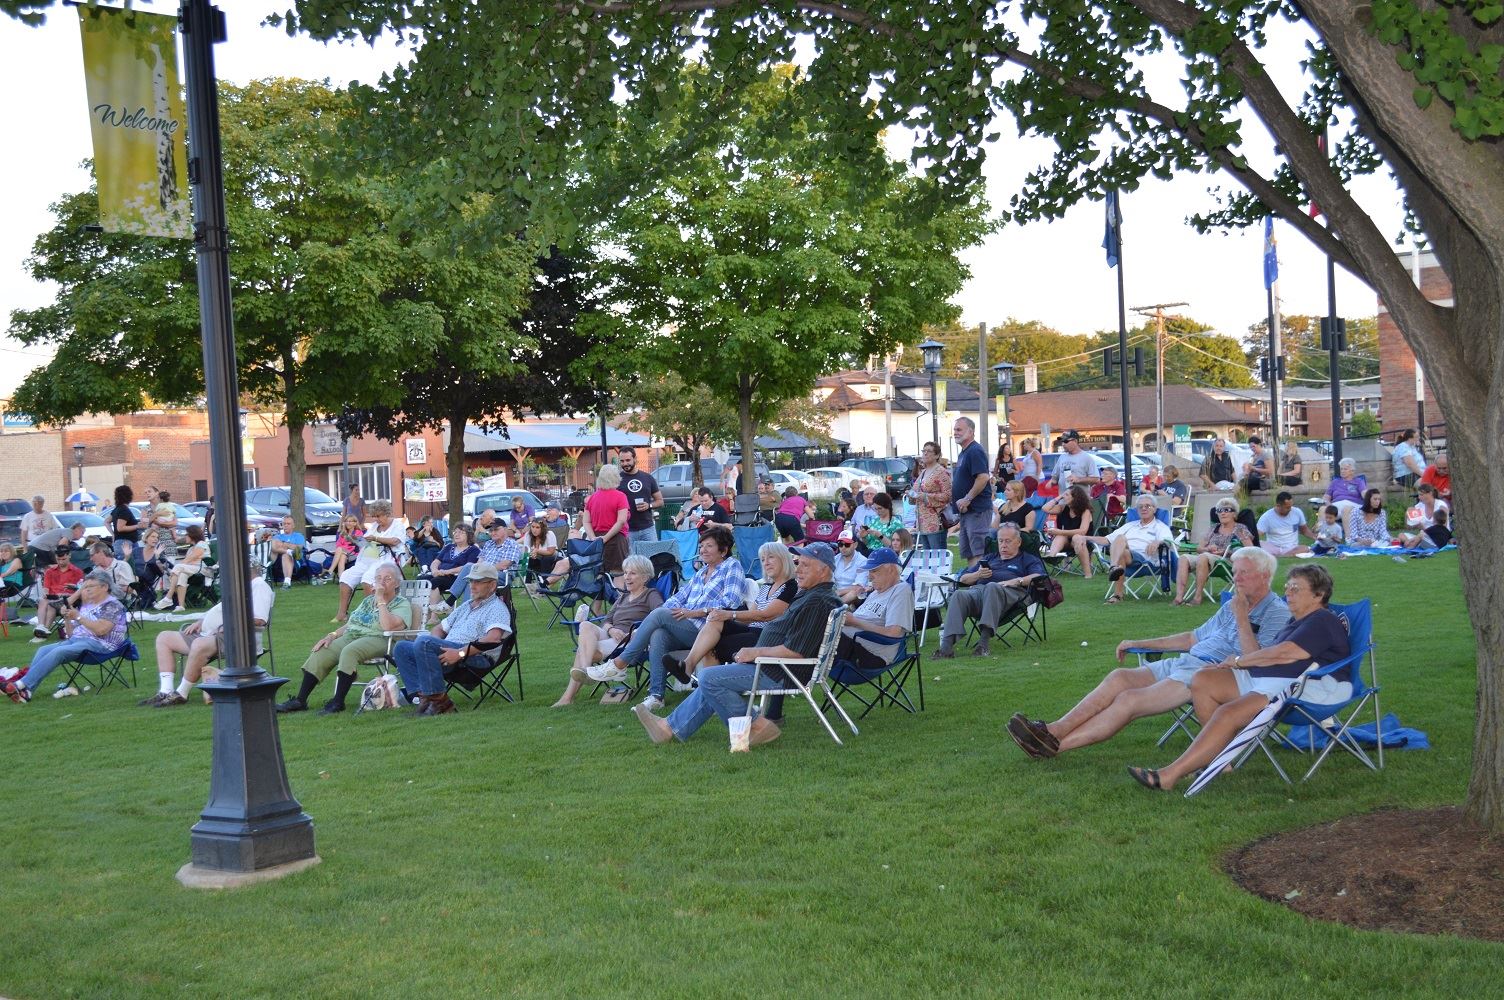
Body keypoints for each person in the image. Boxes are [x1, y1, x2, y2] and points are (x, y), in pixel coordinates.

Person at [1006, 547, 1289, 759]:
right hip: (1186, 662)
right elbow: (1192, 638)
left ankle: (1052, 747)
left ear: (1264, 576)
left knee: (1130, 700)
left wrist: (1241, 617)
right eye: (1235, 571)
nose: (1235, 578)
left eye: (1243, 572)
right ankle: (1053, 730)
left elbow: (1257, 661)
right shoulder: (1233, 604)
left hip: (1213, 676)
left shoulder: (1276, 612)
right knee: (1120, 678)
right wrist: (1137, 641)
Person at [1127, 564, 1350, 791]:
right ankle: (1219, 762)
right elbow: (1272, 655)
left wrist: (1239, 662)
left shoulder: (1322, 620)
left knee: (1227, 712)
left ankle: (1168, 776)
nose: (1288, 594)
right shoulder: (1297, 621)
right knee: (1204, 679)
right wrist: (1238, 663)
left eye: (1296, 589)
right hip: (1270, 680)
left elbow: (1286, 653)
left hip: (1307, 689)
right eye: (1287, 588)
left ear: (1318, 594)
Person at [632, 542, 843, 749]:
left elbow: (796, 652)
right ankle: (668, 728)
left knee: (708, 677)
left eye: (805, 565)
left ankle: (754, 726)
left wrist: (755, 651)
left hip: (782, 671)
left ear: (823, 570)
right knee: (713, 679)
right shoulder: (811, 595)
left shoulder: (817, 602)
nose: (798, 569)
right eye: (798, 563)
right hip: (774, 666)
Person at [596, 524, 744, 711]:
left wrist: (695, 612)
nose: (703, 550)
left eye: (709, 546)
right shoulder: (701, 573)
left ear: (723, 549)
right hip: (687, 626)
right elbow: (677, 598)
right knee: (658, 632)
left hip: (710, 629)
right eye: (701, 546)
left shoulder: (732, 566)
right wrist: (661, 617)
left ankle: (620, 662)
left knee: (659, 616)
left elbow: (731, 602)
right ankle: (656, 696)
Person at [278, 563, 410, 715]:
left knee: (349, 651)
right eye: (379, 578)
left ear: (397, 583)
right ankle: (300, 700)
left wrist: (380, 599)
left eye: (388, 578)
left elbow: (388, 626)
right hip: (354, 635)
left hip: (381, 639)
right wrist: (331, 635)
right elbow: (351, 624)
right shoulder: (368, 601)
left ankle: (338, 702)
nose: (382, 582)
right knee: (323, 650)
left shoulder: (402, 603)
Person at [142, 560, 275, 707]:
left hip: (235, 638)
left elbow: (260, 620)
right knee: (164, 638)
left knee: (199, 644)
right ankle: (165, 691)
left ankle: (181, 693)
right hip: (210, 634)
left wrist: (231, 624)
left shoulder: (259, 586)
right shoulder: (241, 587)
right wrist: (201, 621)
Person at [391, 562, 513, 716]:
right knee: (401, 647)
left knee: (424, 642)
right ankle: (424, 699)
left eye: (478, 582)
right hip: (449, 650)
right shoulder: (466, 605)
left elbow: (493, 639)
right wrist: (429, 647)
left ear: (493, 585)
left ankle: (438, 703)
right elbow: (439, 629)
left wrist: (459, 653)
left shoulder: (497, 608)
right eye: (471, 581)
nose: (472, 586)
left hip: (474, 657)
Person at [551, 555, 665, 706]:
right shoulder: (623, 597)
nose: (627, 577)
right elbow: (607, 620)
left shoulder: (651, 594)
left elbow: (659, 615)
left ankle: (568, 697)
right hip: (612, 635)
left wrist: (637, 633)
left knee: (582, 650)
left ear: (645, 577)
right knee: (585, 625)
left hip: (629, 639)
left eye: (632, 573)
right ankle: (586, 670)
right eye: (625, 573)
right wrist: (611, 629)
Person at [673, 541, 796, 678]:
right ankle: (689, 666)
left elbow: (765, 616)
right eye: (762, 559)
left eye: (771, 557)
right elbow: (750, 618)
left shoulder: (790, 587)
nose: (766, 563)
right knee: (715, 619)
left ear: (784, 559)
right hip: (752, 630)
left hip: (768, 637)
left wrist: (730, 614)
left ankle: (705, 686)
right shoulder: (766, 587)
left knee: (711, 645)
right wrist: (721, 615)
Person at [4, 572, 128, 704]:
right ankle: (27, 692)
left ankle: (21, 684)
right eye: (85, 587)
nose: (87, 590)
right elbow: (71, 635)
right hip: (80, 641)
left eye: (91, 586)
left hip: (103, 645)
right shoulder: (89, 605)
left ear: (104, 587)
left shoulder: (112, 605)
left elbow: (101, 630)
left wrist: (79, 616)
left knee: (59, 652)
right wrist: (68, 618)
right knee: (43, 650)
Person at [933, 523, 1047, 657]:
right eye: (1000, 541)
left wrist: (1017, 580)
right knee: (958, 595)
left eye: (1008, 541)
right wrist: (978, 575)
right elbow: (963, 578)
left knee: (992, 586)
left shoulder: (1027, 559)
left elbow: (1039, 575)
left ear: (1019, 542)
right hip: (980, 593)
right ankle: (946, 649)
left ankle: (983, 645)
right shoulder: (989, 558)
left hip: (1010, 594)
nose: (1003, 545)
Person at [1173, 497, 1252, 605]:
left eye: (1227, 510)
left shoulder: (1240, 529)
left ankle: (1197, 597)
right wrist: (1207, 549)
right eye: (1219, 510)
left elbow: (1250, 550)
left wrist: (1226, 551)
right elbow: (1199, 548)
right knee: (1183, 558)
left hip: (1228, 561)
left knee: (1203, 556)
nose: (1222, 513)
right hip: (1208, 557)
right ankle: (1179, 597)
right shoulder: (1213, 528)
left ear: (1234, 514)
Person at [1096, 494, 1174, 603]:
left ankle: (1117, 592)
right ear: (1137, 510)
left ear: (1155, 509)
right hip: (1124, 557)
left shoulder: (1160, 526)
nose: (1144, 509)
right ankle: (1114, 569)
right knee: (1120, 538)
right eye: (1140, 507)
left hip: (1145, 560)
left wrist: (1158, 541)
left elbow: (1169, 542)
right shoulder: (1130, 525)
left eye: (1148, 506)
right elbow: (1107, 539)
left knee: (1121, 542)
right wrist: (1084, 538)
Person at [334, 500, 401, 622]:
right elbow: (366, 542)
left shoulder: (397, 525)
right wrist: (354, 539)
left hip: (386, 560)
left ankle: (370, 613)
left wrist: (376, 538)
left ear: (387, 513)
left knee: (367, 579)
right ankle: (342, 614)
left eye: (378, 516)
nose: (376, 519)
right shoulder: (375, 526)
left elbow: (395, 541)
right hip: (368, 557)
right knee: (346, 577)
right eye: (374, 516)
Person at [951, 416, 994, 561]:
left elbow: (983, 477)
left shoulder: (975, 451)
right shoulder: (964, 452)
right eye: (954, 430)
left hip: (977, 510)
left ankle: (981, 582)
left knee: (979, 552)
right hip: (966, 511)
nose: (955, 432)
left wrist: (968, 498)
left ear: (970, 432)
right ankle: (973, 582)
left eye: (959, 429)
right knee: (969, 552)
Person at [450, 520, 523, 605]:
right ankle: (467, 610)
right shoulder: (488, 544)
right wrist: (480, 570)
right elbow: (479, 562)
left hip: (501, 575)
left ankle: (451, 602)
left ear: (505, 529)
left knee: (470, 569)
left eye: (496, 530)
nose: (493, 533)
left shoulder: (512, 544)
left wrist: (483, 570)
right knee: (471, 575)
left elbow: (504, 565)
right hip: (482, 574)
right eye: (491, 530)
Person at [419, 523, 479, 609]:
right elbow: (436, 561)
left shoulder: (473, 550)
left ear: (469, 535)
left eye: (461, 532)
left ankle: (434, 615)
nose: (457, 534)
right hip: (439, 574)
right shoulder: (449, 547)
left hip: (456, 578)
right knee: (421, 580)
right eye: (456, 532)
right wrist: (434, 570)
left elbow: (468, 567)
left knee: (435, 582)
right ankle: (424, 612)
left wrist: (447, 572)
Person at [585, 464, 630, 576]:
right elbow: (621, 521)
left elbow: (586, 521)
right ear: (616, 478)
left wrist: (593, 538)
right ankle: (619, 594)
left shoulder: (593, 497)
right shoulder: (620, 496)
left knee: (600, 575)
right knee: (619, 574)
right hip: (616, 539)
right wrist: (605, 538)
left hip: (597, 539)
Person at [33, 543, 84, 640]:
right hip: (52, 598)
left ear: (69, 556)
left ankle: (43, 630)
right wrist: (45, 593)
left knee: (49, 604)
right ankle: (41, 627)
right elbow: (46, 587)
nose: (60, 562)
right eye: (58, 559)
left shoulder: (77, 571)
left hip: (68, 599)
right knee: (44, 600)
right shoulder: (50, 571)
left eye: (63, 559)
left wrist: (70, 591)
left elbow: (80, 590)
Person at [1042, 485, 1095, 576]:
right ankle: (1052, 556)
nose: (1063, 496)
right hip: (1066, 542)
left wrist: (1060, 531)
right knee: (1060, 536)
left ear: (1075, 498)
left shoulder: (1085, 511)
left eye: (1066, 495)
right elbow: (1045, 508)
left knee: (1076, 537)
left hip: (1083, 541)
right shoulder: (1063, 508)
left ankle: (1088, 574)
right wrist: (1059, 497)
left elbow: (1082, 531)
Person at [154, 524, 208, 612]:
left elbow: (189, 559)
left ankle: (168, 597)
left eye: (186, 534)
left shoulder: (201, 544)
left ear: (192, 535)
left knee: (179, 567)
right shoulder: (191, 548)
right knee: (182, 575)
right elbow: (187, 563)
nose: (185, 536)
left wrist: (175, 571)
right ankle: (181, 606)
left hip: (203, 570)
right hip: (192, 570)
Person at [615, 450, 663, 542]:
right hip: (626, 529)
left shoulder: (648, 477)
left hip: (648, 528)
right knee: (630, 556)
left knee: (653, 556)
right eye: (622, 461)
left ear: (635, 459)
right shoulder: (616, 479)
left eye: (628, 460)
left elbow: (660, 501)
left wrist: (649, 505)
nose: (625, 463)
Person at [1256, 491, 1316, 556]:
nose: (1290, 509)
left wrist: (1316, 537)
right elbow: (1257, 534)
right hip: (1273, 547)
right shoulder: (1266, 517)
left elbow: (1304, 530)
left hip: (1292, 548)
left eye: (1291, 506)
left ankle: (1283, 555)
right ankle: (1285, 555)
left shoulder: (1297, 512)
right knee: (1259, 546)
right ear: (1278, 506)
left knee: (1306, 548)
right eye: (1287, 507)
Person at [1399, 483, 1450, 549]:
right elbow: (1409, 527)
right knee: (1401, 535)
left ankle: (1411, 546)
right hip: (1423, 538)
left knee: (1421, 534)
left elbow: (1443, 529)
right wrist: (1407, 515)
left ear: (1430, 493)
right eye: (1419, 495)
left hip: (1437, 538)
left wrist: (1423, 528)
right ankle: (1409, 542)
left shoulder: (1441, 506)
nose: (1419, 497)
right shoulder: (1419, 506)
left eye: (1421, 495)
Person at [265, 514, 306, 588]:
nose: (286, 525)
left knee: (285, 555)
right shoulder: (277, 536)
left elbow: (298, 549)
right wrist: (288, 547)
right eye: (284, 524)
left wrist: (283, 544)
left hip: (295, 559)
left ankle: (287, 582)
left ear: (293, 525)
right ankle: (288, 552)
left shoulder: (298, 536)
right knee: (273, 543)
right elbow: (273, 546)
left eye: (288, 524)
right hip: (276, 561)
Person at [832, 531, 869, 604]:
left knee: (854, 593)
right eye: (840, 544)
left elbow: (858, 587)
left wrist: (839, 592)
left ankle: (834, 607)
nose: (843, 547)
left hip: (854, 598)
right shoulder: (835, 559)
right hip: (835, 594)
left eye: (847, 544)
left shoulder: (863, 561)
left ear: (855, 545)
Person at [326, 513, 364, 581]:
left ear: (355, 523)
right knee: (342, 556)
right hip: (344, 554)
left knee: (340, 549)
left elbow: (359, 545)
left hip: (354, 554)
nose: (347, 523)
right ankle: (342, 579)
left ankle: (330, 570)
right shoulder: (342, 533)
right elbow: (338, 545)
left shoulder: (358, 532)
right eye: (346, 521)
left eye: (350, 521)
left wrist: (346, 544)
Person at [108, 485, 140, 563]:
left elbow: (106, 521)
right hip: (126, 543)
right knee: (127, 566)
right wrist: (138, 526)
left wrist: (113, 534)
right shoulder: (124, 510)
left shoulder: (117, 509)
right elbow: (120, 528)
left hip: (121, 542)